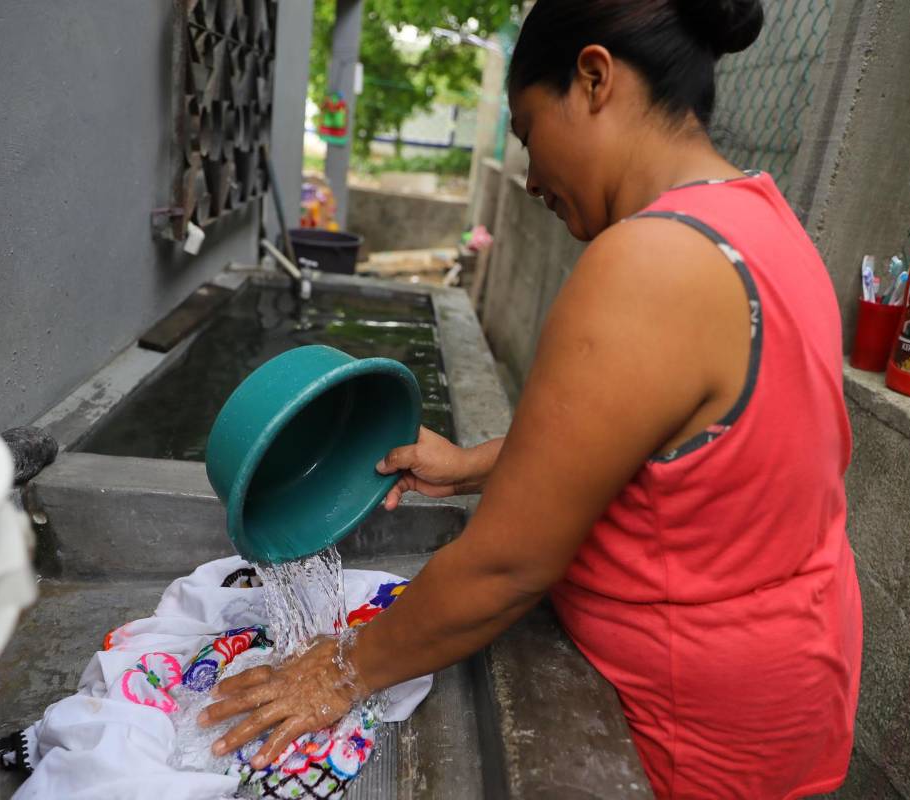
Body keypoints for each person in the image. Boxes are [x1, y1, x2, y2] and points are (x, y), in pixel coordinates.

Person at [199, 2, 863, 797]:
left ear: (592, 80)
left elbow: (508, 565)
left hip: (697, 725)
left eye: (525, 132)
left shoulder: (650, 262)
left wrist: (343, 667)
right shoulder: (763, 222)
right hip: (795, 677)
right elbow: (681, 446)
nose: (530, 176)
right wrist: (477, 464)